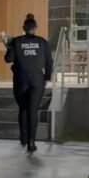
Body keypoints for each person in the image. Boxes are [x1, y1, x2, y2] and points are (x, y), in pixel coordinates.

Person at [4, 14, 52, 152]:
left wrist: (9, 46)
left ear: (23, 28)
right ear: (35, 28)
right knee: (33, 110)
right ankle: (32, 142)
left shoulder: (16, 41)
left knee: (23, 109)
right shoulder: (42, 42)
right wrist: (47, 76)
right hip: (37, 79)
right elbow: (49, 61)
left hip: (20, 79)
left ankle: (23, 138)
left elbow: (8, 59)